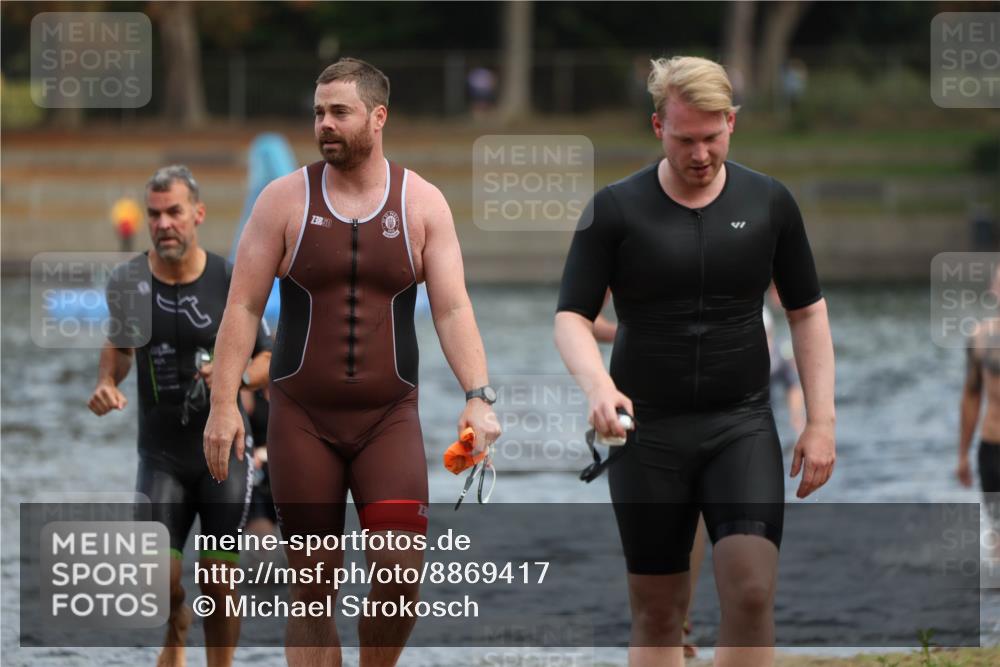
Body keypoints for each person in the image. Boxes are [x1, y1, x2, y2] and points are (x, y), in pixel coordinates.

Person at [202, 57, 501, 667]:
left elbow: (451, 309)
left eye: (340, 112)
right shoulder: (283, 200)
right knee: (312, 592)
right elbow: (241, 307)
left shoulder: (423, 203)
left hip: (387, 418)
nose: (325, 124)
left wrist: (478, 395)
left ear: (378, 117)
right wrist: (223, 404)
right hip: (301, 420)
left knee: (398, 576)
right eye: (318, 113)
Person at [554, 56, 836, 667]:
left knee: (753, 589)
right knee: (658, 613)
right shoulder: (614, 209)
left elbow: (808, 312)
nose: (701, 153)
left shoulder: (770, 203)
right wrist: (599, 387)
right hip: (647, 433)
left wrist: (821, 422)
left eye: (713, 137)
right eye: (685, 139)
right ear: (658, 126)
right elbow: (571, 316)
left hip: (740, 423)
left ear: (732, 122)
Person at [89, 165, 273, 667]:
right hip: (161, 455)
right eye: (154, 214)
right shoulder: (128, 280)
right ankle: (176, 627)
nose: (163, 223)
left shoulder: (229, 278)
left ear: (197, 214)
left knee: (218, 575)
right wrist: (107, 382)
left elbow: (268, 359)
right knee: (160, 577)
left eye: (174, 212)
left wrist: (236, 378)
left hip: (223, 453)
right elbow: (120, 348)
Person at [958, 264, 1000, 555]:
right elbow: (972, 396)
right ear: (993, 291)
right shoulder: (980, 337)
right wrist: (962, 454)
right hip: (992, 448)